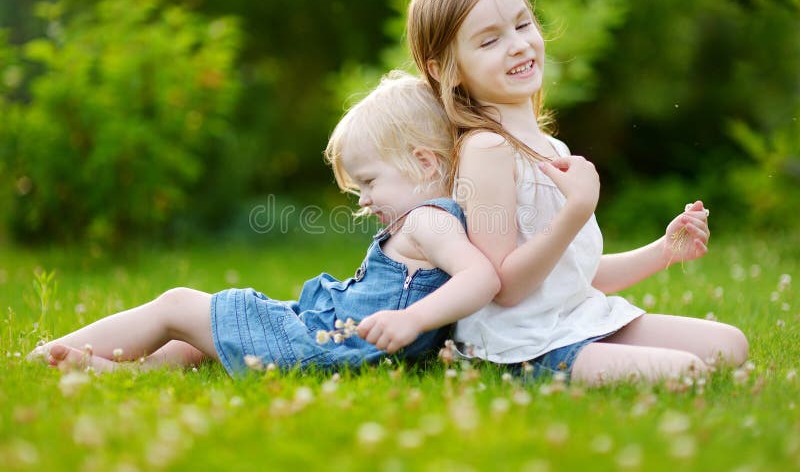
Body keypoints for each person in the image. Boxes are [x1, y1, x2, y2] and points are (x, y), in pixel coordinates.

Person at [406, 0, 748, 385]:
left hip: (576, 318)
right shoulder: (487, 149)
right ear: (445, 71)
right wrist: (576, 209)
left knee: (731, 345)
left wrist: (664, 251)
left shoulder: (551, 146)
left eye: (523, 24)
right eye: (489, 40)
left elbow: (571, 273)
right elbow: (505, 287)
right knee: (686, 372)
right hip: (524, 343)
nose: (518, 44)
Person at [29, 71, 500, 377]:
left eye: (370, 181)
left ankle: (43, 357)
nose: (365, 198)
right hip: (328, 336)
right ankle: (125, 372)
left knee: (178, 306)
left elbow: (482, 276)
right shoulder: (427, 223)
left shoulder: (428, 222)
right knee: (201, 337)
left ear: (422, 162)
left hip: (328, 348)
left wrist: (413, 319)